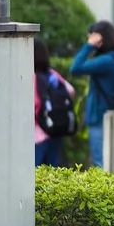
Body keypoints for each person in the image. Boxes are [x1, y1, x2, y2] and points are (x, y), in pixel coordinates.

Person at [70, 20, 114, 169]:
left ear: (100, 39)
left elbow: (75, 67)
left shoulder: (106, 61)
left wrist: (89, 46)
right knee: (111, 163)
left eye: (91, 37)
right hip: (110, 115)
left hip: (99, 117)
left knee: (101, 164)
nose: (89, 40)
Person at [33, 37, 76, 167]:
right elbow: (71, 91)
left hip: (38, 131)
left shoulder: (31, 76)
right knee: (52, 169)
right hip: (56, 127)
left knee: (36, 171)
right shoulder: (52, 74)